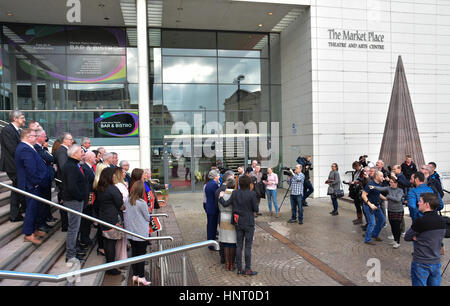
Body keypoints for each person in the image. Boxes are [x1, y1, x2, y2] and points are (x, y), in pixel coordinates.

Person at [15, 128, 51, 245]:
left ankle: (33, 229)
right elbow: (30, 169)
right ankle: (28, 233)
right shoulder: (24, 148)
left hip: (33, 184)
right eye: (35, 136)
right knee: (31, 209)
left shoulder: (28, 147)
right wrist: (36, 182)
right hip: (30, 185)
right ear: (28, 137)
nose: (37, 138)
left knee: (35, 209)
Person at [218, 175, 259, 276]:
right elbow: (256, 209)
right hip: (249, 222)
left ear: (239, 184)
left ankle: (240, 269)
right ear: (249, 184)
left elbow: (225, 204)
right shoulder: (252, 194)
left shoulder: (235, 193)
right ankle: (248, 269)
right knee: (248, 247)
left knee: (239, 245)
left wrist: (221, 197)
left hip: (238, 221)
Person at [404, 193, 446, 286]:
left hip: (421, 262)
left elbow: (407, 237)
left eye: (420, 201)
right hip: (436, 262)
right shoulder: (442, 220)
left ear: (427, 204)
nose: (418, 203)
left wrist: (418, 237)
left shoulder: (420, 221)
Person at [95, 167, 124, 275]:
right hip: (112, 219)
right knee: (111, 243)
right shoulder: (112, 189)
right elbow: (120, 204)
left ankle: (109, 265)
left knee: (107, 242)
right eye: (113, 175)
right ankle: (111, 268)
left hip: (103, 217)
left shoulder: (100, 188)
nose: (115, 176)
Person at [61, 144, 88, 262]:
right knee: (73, 228)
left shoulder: (72, 165)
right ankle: (71, 255)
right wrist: (80, 197)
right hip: (73, 201)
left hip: (74, 200)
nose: (83, 154)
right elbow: (72, 186)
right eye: (81, 152)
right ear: (74, 154)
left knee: (75, 227)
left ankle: (73, 252)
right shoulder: (71, 166)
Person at [0, 110, 27, 222]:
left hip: (16, 164)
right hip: (12, 165)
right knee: (17, 189)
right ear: (15, 119)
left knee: (17, 189)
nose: (24, 119)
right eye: (22, 117)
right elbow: (12, 149)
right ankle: (16, 213)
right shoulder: (7, 130)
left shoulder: (16, 130)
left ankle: (15, 214)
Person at [124, 181, 151, 286]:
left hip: (131, 232)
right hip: (140, 233)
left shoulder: (127, 200)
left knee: (135, 253)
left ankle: (135, 275)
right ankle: (141, 277)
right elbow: (147, 217)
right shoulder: (141, 203)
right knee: (141, 255)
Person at [369, 176, 404, 248]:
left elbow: (398, 199)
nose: (390, 184)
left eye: (391, 182)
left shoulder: (400, 190)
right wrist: (374, 187)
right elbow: (381, 188)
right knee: (392, 226)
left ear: (396, 183)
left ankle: (398, 242)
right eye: (389, 182)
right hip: (391, 210)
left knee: (397, 226)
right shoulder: (388, 188)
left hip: (398, 211)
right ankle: (395, 240)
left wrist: (388, 196)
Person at [34, 128, 55, 232]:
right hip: (41, 181)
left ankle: (43, 222)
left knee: (45, 203)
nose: (46, 138)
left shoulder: (42, 148)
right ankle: (40, 224)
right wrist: (49, 159)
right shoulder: (36, 148)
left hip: (46, 180)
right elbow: (50, 159)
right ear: (37, 137)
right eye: (44, 136)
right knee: (40, 204)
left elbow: (50, 158)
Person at [55, 133, 74, 232]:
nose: (72, 141)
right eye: (70, 139)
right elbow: (63, 168)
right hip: (63, 183)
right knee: (64, 205)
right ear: (64, 140)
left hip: (65, 182)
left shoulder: (65, 150)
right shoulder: (62, 151)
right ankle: (65, 225)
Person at [361, 171, 386, 245]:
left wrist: (385, 198)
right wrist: (370, 204)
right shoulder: (370, 184)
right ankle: (367, 239)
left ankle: (374, 234)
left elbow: (378, 193)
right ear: (376, 176)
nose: (383, 177)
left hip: (376, 206)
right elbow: (363, 195)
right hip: (368, 206)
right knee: (372, 223)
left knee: (382, 220)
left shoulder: (379, 184)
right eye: (381, 176)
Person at [217, 177, 237, 271]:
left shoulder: (221, 194)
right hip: (231, 219)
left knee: (225, 242)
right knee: (232, 243)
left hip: (222, 219)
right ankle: (232, 264)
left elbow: (219, 205)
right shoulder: (235, 194)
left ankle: (227, 264)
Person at [78, 151, 96, 249]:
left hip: (90, 197)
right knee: (85, 220)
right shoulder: (85, 168)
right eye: (94, 157)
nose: (95, 159)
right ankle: (84, 238)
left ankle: (86, 237)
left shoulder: (89, 168)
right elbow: (87, 184)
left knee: (88, 220)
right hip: (87, 198)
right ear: (89, 158)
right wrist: (89, 197)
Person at [92, 162, 109, 257]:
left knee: (101, 227)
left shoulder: (98, 181)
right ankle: (101, 247)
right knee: (100, 228)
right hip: (100, 207)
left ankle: (102, 246)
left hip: (99, 206)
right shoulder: (100, 182)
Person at [113, 167, 128, 262]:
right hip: (122, 213)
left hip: (125, 212)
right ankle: (121, 258)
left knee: (123, 238)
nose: (125, 173)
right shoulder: (118, 186)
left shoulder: (122, 184)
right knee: (121, 238)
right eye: (123, 172)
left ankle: (123, 257)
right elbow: (122, 200)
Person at [204, 169, 220, 250]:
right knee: (212, 226)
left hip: (209, 207)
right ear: (215, 176)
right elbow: (217, 195)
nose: (219, 176)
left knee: (211, 225)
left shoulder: (209, 184)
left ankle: (211, 241)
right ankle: (211, 244)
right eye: (218, 175)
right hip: (213, 208)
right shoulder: (214, 185)